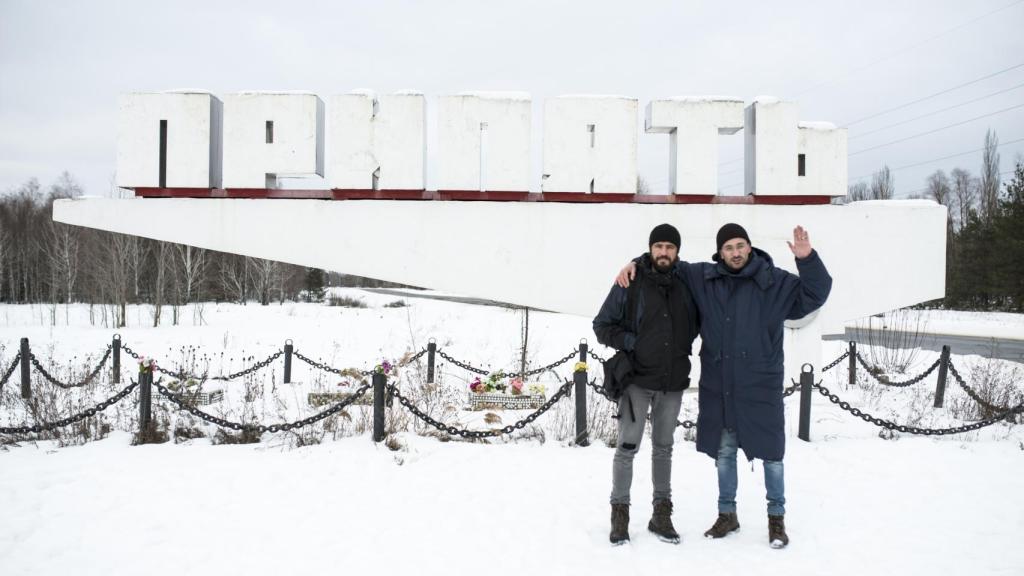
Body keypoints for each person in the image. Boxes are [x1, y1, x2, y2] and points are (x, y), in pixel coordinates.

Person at [616, 223, 831, 549]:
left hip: (760, 383)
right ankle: (727, 514)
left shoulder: (773, 281)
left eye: (740, 245)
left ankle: (776, 520)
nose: (735, 252)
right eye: (728, 247)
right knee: (725, 451)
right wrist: (633, 262)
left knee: (773, 456)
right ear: (720, 252)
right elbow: (663, 261)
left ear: (749, 247)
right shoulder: (705, 278)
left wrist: (807, 258)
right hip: (721, 384)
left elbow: (815, 295)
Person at [593, 223, 699, 546]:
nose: (663, 252)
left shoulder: (688, 282)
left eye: (669, 247)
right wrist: (632, 342)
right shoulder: (631, 281)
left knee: (664, 449)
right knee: (627, 448)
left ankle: (661, 514)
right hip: (637, 380)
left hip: (672, 382)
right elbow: (601, 325)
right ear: (650, 249)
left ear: (677, 251)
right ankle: (619, 514)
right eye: (659, 247)